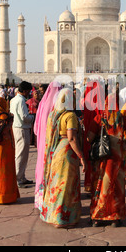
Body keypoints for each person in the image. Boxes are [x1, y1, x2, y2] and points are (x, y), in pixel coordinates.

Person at [87, 88, 126, 227]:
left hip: (102, 158)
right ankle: (115, 217)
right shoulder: (122, 118)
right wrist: (125, 142)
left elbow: (89, 138)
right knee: (116, 186)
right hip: (118, 158)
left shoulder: (99, 118)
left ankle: (98, 216)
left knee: (101, 185)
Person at [40, 88, 86, 228]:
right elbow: (72, 138)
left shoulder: (54, 114)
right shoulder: (70, 116)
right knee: (66, 185)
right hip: (67, 151)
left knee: (57, 184)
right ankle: (63, 218)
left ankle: (54, 215)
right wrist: (81, 157)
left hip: (57, 150)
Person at [34, 82, 62, 210]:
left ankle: (41, 201)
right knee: (53, 170)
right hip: (54, 144)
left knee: (42, 168)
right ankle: (52, 202)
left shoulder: (42, 104)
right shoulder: (57, 106)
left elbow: (35, 128)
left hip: (42, 143)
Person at [10, 81, 35, 188]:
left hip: (16, 127)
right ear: (24, 91)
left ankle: (21, 176)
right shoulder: (20, 101)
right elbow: (24, 117)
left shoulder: (14, 99)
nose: (28, 94)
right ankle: (18, 179)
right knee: (21, 154)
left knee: (21, 154)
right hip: (21, 128)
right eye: (28, 91)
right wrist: (33, 117)